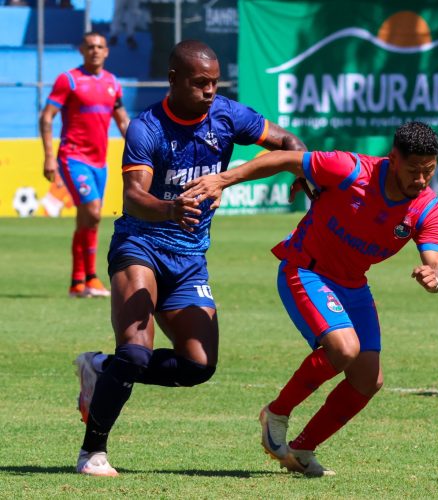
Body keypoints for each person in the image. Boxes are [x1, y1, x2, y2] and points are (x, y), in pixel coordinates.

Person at [72, 39, 306, 476]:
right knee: (137, 353)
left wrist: (303, 170)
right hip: (140, 246)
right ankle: (93, 452)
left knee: (199, 366)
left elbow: (286, 139)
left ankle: (101, 367)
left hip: (189, 259)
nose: (210, 91)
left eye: (215, 82)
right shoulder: (147, 128)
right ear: (174, 79)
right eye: (200, 83)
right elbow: (134, 196)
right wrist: (170, 208)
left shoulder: (227, 116)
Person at [182, 121, 438, 477]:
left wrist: (435, 278)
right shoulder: (350, 169)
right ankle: (276, 413)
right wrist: (223, 180)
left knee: (369, 379)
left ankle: (303, 449)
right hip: (306, 269)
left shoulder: (426, 208)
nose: (421, 180)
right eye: (414, 170)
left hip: (353, 285)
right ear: (393, 158)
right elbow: (285, 159)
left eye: (428, 171)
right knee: (344, 349)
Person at [39, 32, 130, 298]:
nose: (95, 51)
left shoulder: (113, 82)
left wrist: (143, 149)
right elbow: (47, 117)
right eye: (90, 46)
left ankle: (77, 282)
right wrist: (48, 156)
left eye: (100, 46)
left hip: (99, 162)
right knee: (92, 211)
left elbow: (122, 120)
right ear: (81, 50)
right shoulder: (68, 80)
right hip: (73, 156)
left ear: (107, 51)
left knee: (88, 220)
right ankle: (91, 277)